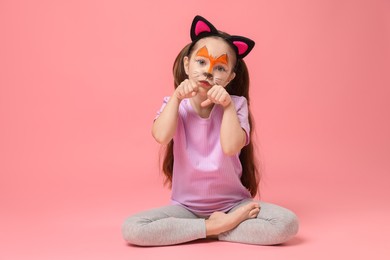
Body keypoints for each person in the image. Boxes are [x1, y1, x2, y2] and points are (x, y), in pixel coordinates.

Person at [122, 15, 299, 246]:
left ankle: (204, 230)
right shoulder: (175, 104)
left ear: (229, 78)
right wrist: (176, 97)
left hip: (234, 205)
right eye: (201, 62)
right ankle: (215, 227)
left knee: (286, 224)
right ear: (187, 64)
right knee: (132, 229)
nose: (208, 72)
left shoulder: (236, 105)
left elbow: (230, 146)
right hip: (186, 209)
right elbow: (161, 136)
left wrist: (226, 107)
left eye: (220, 67)